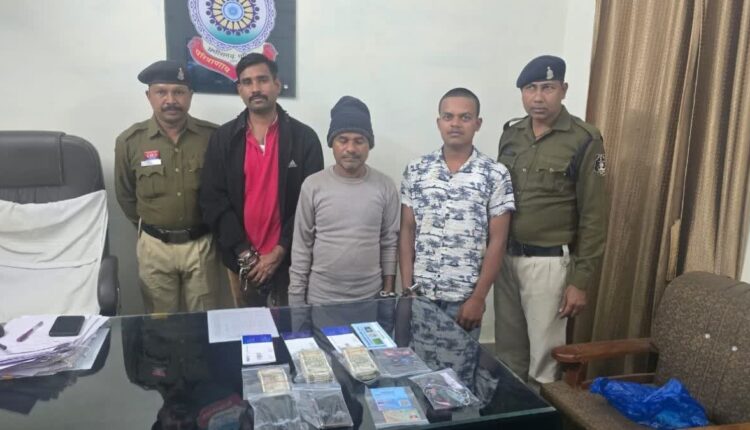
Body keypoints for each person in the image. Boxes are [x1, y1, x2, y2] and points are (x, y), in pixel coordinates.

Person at [494, 55, 608, 389]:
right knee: (508, 354)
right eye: (531, 88)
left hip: (548, 263)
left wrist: (580, 280)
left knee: (544, 362)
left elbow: (594, 216)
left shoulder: (585, 139)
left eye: (548, 87)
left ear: (563, 90)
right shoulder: (511, 134)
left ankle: (545, 413)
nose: (538, 97)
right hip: (506, 259)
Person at [200, 53, 324, 307]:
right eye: (247, 82)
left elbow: (311, 205)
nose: (255, 88)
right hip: (241, 262)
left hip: (291, 259)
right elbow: (213, 200)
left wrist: (280, 250)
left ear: (277, 84)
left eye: (262, 80)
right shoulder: (223, 139)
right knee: (249, 328)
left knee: (291, 326)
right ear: (239, 89)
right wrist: (245, 253)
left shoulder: (305, 139)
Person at [399, 88, 514, 339]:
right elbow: (407, 230)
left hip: (464, 300)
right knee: (416, 362)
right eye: (448, 116)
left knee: (461, 364)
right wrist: (407, 290)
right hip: (421, 296)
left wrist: (479, 298)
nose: (455, 123)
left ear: (478, 123)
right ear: (438, 122)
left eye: (465, 117)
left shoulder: (495, 174)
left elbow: (498, 240)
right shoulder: (416, 170)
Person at [115, 60, 221, 313]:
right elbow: (125, 194)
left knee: (204, 318)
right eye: (161, 92)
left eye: (179, 92)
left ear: (190, 96)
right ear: (148, 96)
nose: (171, 100)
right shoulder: (130, 141)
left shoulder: (213, 137)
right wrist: (152, 227)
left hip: (201, 244)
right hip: (155, 246)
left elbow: (224, 190)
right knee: (160, 320)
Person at [288, 96, 399, 306]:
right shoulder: (313, 186)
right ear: (332, 143)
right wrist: (296, 301)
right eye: (343, 140)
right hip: (321, 300)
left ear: (369, 144)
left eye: (359, 141)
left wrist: (388, 293)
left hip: (370, 299)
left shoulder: (385, 186)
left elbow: (389, 242)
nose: (351, 148)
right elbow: (302, 245)